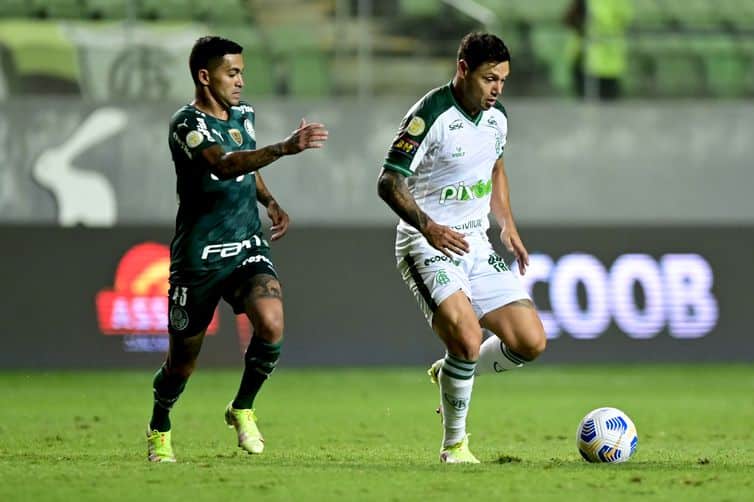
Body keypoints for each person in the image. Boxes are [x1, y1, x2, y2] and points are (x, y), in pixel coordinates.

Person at [146, 36, 328, 463]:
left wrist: (269, 202)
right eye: (233, 73)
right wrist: (284, 147)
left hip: (247, 244)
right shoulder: (186, 125)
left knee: (272, 321)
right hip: (201, 257)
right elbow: (224, 165)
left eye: (242, 72)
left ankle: (242, 407)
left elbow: (247, 162)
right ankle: (159, 425)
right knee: (181, 365)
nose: (241, 81)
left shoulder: (243, 115)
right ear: (204, 77)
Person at [377, 32, 547, 464]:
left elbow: (496, 168)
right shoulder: (429, 114)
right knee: (468, 339)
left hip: (476, 240)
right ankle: (455, 446)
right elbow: (388, 182)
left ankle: (450, 372)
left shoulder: (497, 118)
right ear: (463, 69)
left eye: (503, 81)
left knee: (530, 343)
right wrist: (429, 228)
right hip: (427, 241)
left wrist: (507, 224)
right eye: (490, 79)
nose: (497, 89)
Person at [563, 0, 633, 100]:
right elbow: (568, 19)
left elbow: (622, 20)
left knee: (605, 105)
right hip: (586, 60)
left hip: (606, 63)